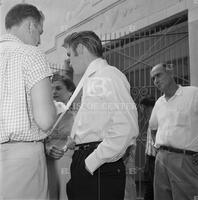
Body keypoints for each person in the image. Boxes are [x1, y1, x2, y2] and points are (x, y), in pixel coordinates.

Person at [62, 31, 139, 200]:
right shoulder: (91, 79)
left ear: (80, 48)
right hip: (87, 160)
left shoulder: (108, 75)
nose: (69, 61)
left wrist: (91, 163)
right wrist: (75, 140)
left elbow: (126, 128)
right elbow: (95, 124)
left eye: (69, 55)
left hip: (98, 165)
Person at [0, 3, 57, 199]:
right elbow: (46, 120)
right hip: (22, 159)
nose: (39, 40)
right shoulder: (32, 54)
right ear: (31, 26)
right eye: (40, 32)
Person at [149, 63, 198, 200]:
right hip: (161, 160)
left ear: (170, 73)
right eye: (153, 78)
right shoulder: (159, 103)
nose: (156, 81)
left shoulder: (193, 93)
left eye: (158, 75)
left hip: (185, 159)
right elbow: (153, 128)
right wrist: (158, 150)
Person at [46, 74, 76, 200]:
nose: (53, 92)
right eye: (51, 89)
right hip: (47, 161)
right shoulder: (46, 115)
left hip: (67, 163)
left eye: (58, 88)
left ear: (70, 92)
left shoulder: (77, 115)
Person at [140, 96, 156, 200]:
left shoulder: (155, 119)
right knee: (149, 184)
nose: (141, 111)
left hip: (155, 159)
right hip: (150, 158)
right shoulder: (151, 119)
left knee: (151, 186)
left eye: (141, 108)